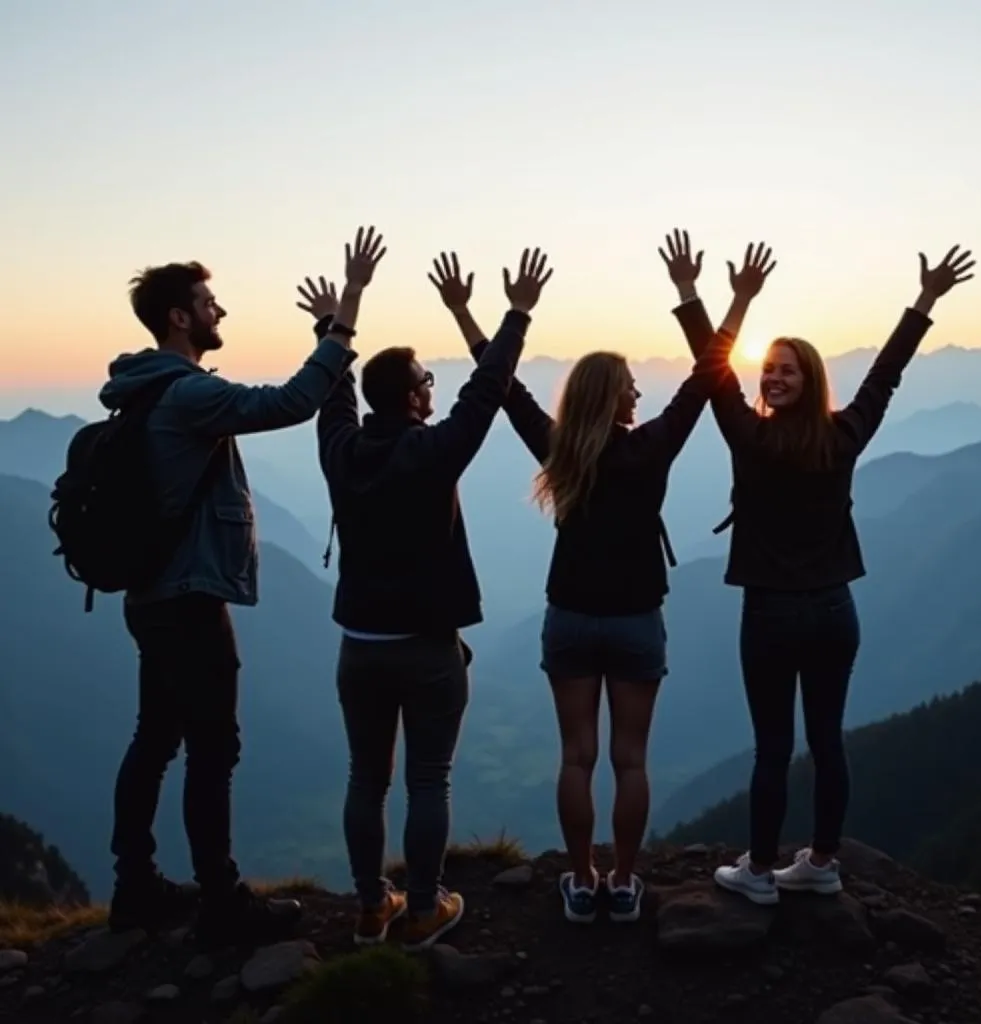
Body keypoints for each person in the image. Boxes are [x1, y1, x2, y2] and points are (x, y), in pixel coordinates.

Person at [427, 244, 747, 925]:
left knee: (577, 757)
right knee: (631, 760)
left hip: (569, 616)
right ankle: (624, 884)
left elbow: (503, 386)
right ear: (613, 395)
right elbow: (706, 379)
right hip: (636, 620)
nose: (638, 391)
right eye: (630, 384)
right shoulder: (651, 446)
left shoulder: (560, 448)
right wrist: (721, 297)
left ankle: (580, 880)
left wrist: (470, 312)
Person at [664, 230, 976, 904]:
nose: (771, 377)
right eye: (768, 368)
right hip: (836, 610)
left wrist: (706, 296)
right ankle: (823, 862)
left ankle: (758, 875)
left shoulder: (749, 437)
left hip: (773, 612)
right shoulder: (844, 435)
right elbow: (883, 376)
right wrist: (923, 300)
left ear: (807, 383)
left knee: (774, 745)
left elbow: (710, 370)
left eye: (787, 370)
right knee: (826, 739)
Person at [100, 227, 379, 948]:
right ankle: (220, 901)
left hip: (149, 594)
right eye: (207, 302)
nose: (219, 311)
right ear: (179, 319)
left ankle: (135, 888)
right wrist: (344, 317)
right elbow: (290, 402)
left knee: (156, 738)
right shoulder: (188, 394)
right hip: (189, 598)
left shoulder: (139, 390)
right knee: (213, 748)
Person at [311, 243, 552, 952]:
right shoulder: (436, 450)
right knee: (428, 780)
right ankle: (421, 909)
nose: (432, 389)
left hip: (359, 646)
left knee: (365, 777)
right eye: (423, 380)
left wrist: (336, 315)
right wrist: (516, 315)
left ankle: (367, 906)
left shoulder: (341, 451)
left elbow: (333, 391)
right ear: (412, 396)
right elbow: (487, 390)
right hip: (427, 649)